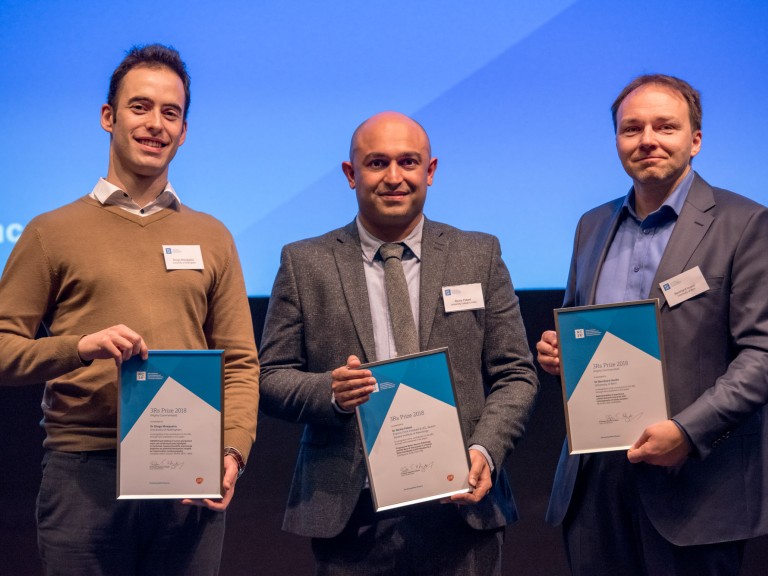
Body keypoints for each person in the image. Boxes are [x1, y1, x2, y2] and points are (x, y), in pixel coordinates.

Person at [0, 44, 259, 576]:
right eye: (140, 107)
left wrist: (231, 453)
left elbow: (239, 363)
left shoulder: (212, 236)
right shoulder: (52, 232)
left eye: (171, 112)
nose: (155, 124)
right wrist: (78, 348)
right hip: (84, 473)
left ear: (184, 131)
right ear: (108, 116)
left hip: (187, 471)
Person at [258, 111, 539, 575]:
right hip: (353, 514)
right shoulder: (305, 262)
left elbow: (516, 373)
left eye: (408, 162)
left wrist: (485, 449)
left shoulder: (479, 254)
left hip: (461, 505)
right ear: (351, 175)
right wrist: (330, 392)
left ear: (430, 171)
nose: (394, 177)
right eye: (376, 163)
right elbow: (270, 377)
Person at [537, 74, 768, 576]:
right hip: (594, 484)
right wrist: (560, 353)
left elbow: (762, 355)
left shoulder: (745, 223)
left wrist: (687, 430)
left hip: (696, 485)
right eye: (632, 128)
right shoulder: (591, 225)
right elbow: (580, 322)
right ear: (617, 140)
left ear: (695, 140)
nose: (648, 140)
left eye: (666, 127)